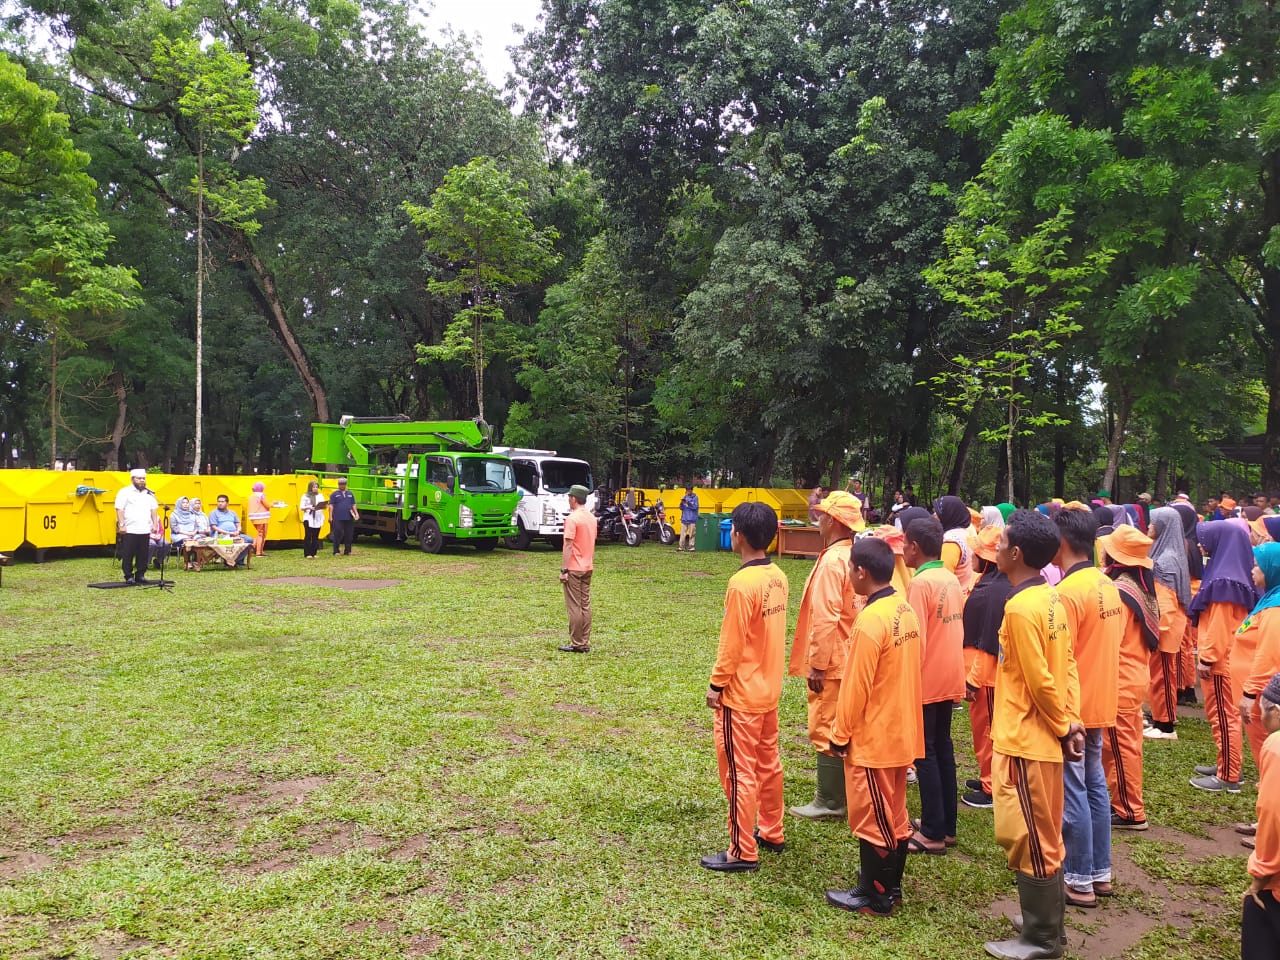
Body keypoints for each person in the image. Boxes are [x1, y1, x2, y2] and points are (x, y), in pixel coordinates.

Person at [984, 510, 1083, 960]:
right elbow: (1068, 666)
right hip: (1041, 736)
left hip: (1027, 739)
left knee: (1028, 835)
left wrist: (1063, 725)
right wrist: (1072, 720)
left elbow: (1042, 678)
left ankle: (1042, 938)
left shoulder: (1020, 607)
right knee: (1035, 831)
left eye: (1001, 543)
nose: (996, 549)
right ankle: (1044, 923)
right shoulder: (1051, 598)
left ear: (1017, 553)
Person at [825, 536, 923, 915]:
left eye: (851, 568)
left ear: (861, 572)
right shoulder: (905, 610)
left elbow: (855, 687)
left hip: (875, 738)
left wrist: (839, 734)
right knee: (894, 814)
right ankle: (890, 889)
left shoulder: (870, 620)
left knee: (874, 817)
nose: (849, 574)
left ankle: (875, 895)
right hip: (901, 732)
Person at [702, 501, 788, 872]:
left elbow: (732, 645)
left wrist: (716, 685)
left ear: (737, 534)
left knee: (740, 772)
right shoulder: (778, 576)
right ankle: (771, 829)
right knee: (768, 764)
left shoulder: (741, 584)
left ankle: (742, 850)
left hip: (742, 695)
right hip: (768, 690)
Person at [1053, 504, 1123, 907]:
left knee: (1074, 787)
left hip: (1075, 708)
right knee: (1094, 783)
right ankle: (1100, 871)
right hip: (1101, 702)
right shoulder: (1106, 585)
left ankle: (1078, 879)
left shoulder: (1065, 594)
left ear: (1062, 542)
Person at [788, 491, 862, 820]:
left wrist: (817, 665)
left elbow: (827, 616)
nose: (818, 519)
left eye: (821, 515)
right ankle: (843, 794)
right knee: (843, 724)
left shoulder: (833, 560)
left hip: (833, 660)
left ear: (831, 521)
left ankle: (830, 801)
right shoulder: (851, 554)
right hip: (850, 654)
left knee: (826, 724)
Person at [903, 516, 964, 854]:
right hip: (949, 675)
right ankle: (945, 825)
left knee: (923, 753)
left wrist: (906, 682)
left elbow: (916, 640)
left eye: (903, 543)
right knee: (942, 749)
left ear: (913, 547)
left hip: (927, 678)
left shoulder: (920, 583)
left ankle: (932, 832)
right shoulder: (949, 578)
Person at [1187, 520, 1258, 792]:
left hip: (1220, 662)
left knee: (1223, 715)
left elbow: (1218, 626)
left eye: (1206, 540)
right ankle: (1226, 763)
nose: (1202, 545)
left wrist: (1206, 658)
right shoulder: (1240, 574)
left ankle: (1228, 775)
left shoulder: (1223, 582)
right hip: (1231, 657)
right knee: (1225, 715)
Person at [1097, 524, 1159, 832]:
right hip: (1135, 675)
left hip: (1121, 679)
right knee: (1126, 744)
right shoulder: (1139, 584)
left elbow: (1111, 637)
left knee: (1120, 748)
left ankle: (1130, 810)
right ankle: (1124, 802)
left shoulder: (1120, 592)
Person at [963, 525, 1011, 808]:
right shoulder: (988, 581)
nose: (971, 554)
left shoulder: (996, 589)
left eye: (977, 551)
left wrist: (973, 679)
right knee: (983, 731)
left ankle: (992, 787)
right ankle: (987, 777)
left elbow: (988, 641)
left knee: (988, 733)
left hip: (987, 677)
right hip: (981, 673)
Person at [1145, 506, 1191, 740]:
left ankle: (1165, 725)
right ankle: (1161, 717)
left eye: (1153, 523)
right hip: (1169, 625)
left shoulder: (1165, 560)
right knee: (1163, 675)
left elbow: (1165, 603)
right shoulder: (1169, 553)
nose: (1149, 527)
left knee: (1161, 676)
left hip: (1165, 628)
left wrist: (1155, 632)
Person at [1243, 673, 1280, 960]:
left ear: (1276, 712)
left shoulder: (1276, 746)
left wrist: (1261, 874)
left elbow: (1272, 814)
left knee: (1256, 907)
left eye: (1263, 712)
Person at [559, 484, 597, 653]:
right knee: (585, 605)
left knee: (574, 606)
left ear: (573, 499)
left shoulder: (572, 519)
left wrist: (564, 570)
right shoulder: (591, 518)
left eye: (569, 497)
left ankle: (577, 643)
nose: (569, 500)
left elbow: (568, 544)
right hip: (588, 566)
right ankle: (585, 641)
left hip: (574, 568)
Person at [115, 468, 159, 585]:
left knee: (143, 554)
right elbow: (119, 509)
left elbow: (153, 510)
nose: (141, 481)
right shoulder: (125, 492)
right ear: (132, 479)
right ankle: (128, 576)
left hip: (144, 528)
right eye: (139, 478)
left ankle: (140, 574)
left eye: (143, 479)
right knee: (128, 553)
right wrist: (121, 524)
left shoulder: (149, 494)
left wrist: (155, 524)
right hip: (130, 529)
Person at [935, 495, 975, 593]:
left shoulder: (951, 541)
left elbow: (943, 578)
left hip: (953, 598)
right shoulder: (964, 534)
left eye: (937, 512)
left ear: (948, 514)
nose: (934, 515)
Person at [208, 494, 251, 566]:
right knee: (230, 540)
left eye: (222, 501)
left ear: (227, 503)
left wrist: (238, 531)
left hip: (234, 534)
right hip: (220, 535)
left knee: (249, 540)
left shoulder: (232, 513)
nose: (220, 503)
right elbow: (214, 527)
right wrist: (228, 533)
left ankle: (236, 560)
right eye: (218, 501)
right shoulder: (213, 513)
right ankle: (231, 561)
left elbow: (238, 524)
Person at [328, 477, 359, 556]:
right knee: (337, 533)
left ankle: (348, 550)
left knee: (349, 534)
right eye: (340, 484)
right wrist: (330, 516)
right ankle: (336, 550)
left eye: (343, 484)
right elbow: (331, 506)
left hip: (348, 517)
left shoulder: (350, 494)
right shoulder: (334, 494)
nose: (342, 485)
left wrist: (356, 513)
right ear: (338, 485)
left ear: (346, 484)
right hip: (338, 517)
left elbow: (353, 504)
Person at [169, 496, 200, 569]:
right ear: (179, 504)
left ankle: (195, 561)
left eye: (187, 503)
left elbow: (197, 526)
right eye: (183, 503)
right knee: (187, 541)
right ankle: (187, 562)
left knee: (199, 539)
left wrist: (194, 533)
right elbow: (174, 529)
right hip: (179, 535)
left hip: (192, 534)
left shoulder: (192, 514)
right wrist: (188, 534)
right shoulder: (174, 515)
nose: (186, 504)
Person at [299, 480, 326, 559]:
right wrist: (309, 507)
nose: (315, 488)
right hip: (308, 517)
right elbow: (302, 507)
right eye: (313, 487)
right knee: (308, 535)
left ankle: (314, 552)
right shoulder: (305, 496)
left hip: (317, 517)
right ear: (310, 487)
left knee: (315, 536)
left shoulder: (320, 496)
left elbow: (323, 505)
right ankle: (307, 553)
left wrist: (322, 506)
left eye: (316, 487)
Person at [248, 481, 271, 557]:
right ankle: (259, 552)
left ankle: (252, 548)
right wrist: (274, 504)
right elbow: (267, 505)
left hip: (253, 517)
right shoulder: (262, 495)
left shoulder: (251, 496)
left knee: (259, 533)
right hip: (262, 517)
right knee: (262, 534)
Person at [678, 484, 700, 552]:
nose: (688, 492)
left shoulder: (695, 497)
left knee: (692, 534)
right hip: (684, 518)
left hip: (692, 519)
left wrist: (689, 503)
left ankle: (691, 547)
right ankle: (681, 547)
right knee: (682, 534)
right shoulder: (684, 497)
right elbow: (681, 508)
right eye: (687, 491)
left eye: (689, 491)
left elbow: (695, 507)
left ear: (692, 490)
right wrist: (681, 503)